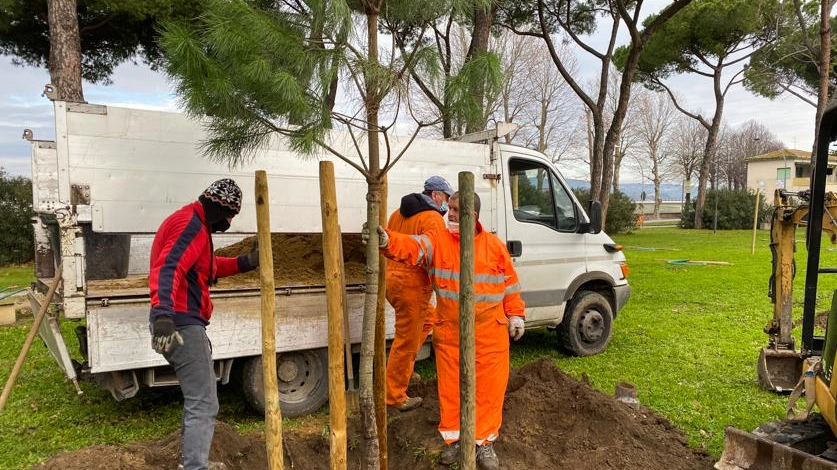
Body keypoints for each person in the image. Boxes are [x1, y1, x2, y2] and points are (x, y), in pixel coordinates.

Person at [364, 191, 526, 470]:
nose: (448, 214)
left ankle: (485, 443)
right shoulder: (438, 241)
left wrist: (516, 315)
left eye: (454, 210)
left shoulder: (494, 246)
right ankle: (455, 441)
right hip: (451, 331)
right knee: (451, 389)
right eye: (448, 208)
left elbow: (510, 284)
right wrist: (388, 241)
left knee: (489, 390)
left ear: (471, 216)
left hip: (490, 332)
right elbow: (413, 247)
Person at [148, 178, 259, 470]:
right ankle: (195, 467)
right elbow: (168, 268)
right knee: (204, 402)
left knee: (200, 398)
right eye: (231, 216)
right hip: (181, 323)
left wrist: (245, 262)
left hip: (181, 320)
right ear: (220, 208)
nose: (230, 223)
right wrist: (162, 315)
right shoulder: (191, 226)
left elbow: (208, 267)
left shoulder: (195, 223)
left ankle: (193, 462)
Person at [385, 175, 454, 412]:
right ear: (435, 195)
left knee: (429, 320)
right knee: (406, 340)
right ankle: (394, 396)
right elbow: (430, 252)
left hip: (392, 281)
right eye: (446, 198)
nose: (446, 204)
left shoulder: (397, 213)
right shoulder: (432, 218)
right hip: (411, 286)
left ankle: (404, 368)